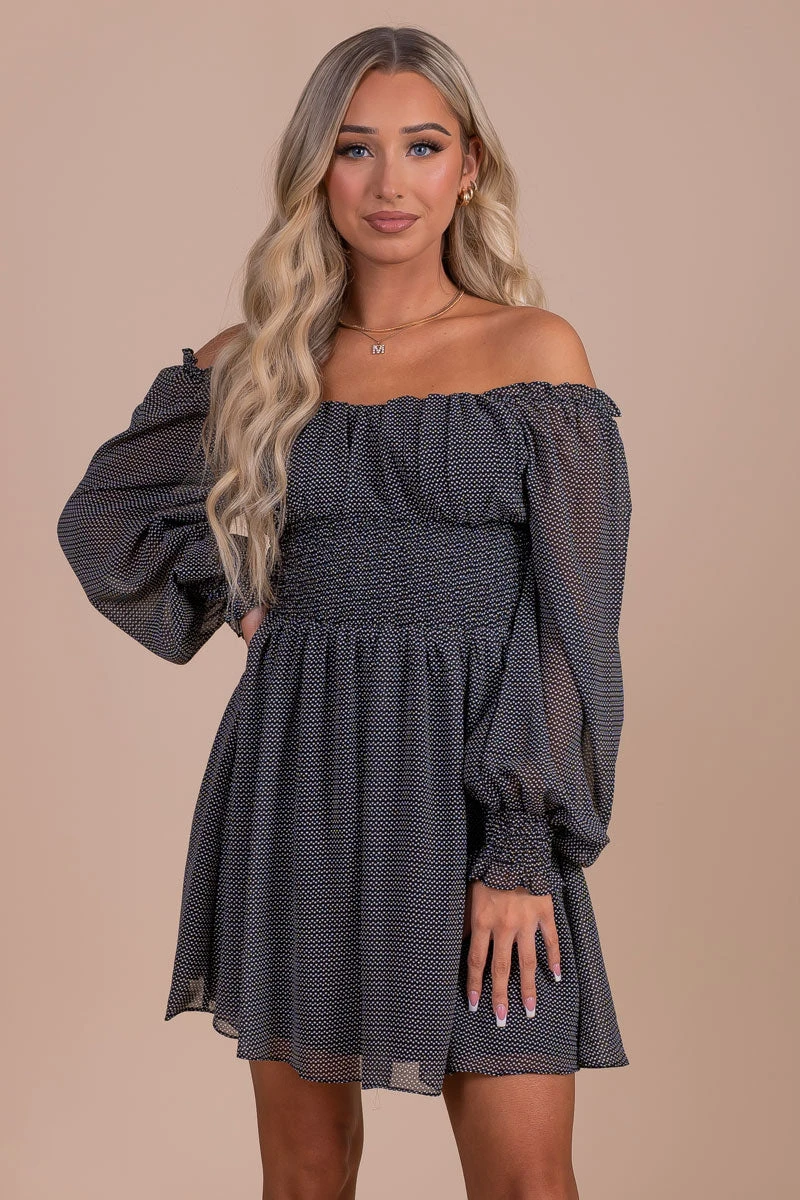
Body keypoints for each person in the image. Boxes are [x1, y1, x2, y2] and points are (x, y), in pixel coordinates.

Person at [56, 24, 632, 1200]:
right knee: (306, 1176)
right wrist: (242, 592)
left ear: (467, 166)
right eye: (355, 148)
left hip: (478, 797)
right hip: (302, 781)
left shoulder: (533, 352)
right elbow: (101, 518)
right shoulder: (259, 362)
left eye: (420, 146)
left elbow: (573, 621)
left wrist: (521, 845)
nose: (387, 181)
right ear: (316, 169)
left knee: (528, 1181)